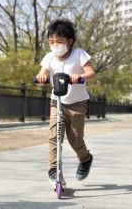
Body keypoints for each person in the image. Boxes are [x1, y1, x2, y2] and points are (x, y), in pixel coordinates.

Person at [35, 19, 96, 185]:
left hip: (77, 105)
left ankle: (85, 159)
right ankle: (54, 169)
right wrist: (41, 78)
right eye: (51, 42)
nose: (55, 45)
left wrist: (80, 76)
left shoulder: (78, 54)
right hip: (57, 102)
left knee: (75, 139)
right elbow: (42, 76)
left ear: (69, 41)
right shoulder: (49, 57)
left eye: (59, 42)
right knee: (54, 137)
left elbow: (91, 73)